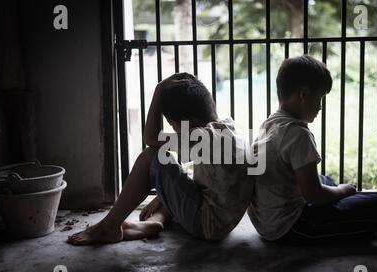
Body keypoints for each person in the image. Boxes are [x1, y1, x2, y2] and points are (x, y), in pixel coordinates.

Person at [68, 73, 253, 245]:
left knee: (151, 157)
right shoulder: (226, 129)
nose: (174, 131)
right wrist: (162, 195)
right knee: (173, 170)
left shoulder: (204, 137)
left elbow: (151, 138)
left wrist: (159, 89)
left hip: (206, 225)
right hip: (221, 221)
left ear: (190, 121)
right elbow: (206, 180)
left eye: (174, 126)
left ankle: (109, 226)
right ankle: (154, 222)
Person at [248, 55, 377, 245]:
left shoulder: (270, 123)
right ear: (304, 95)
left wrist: (335, 190)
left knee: (327, 181)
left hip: (264, 221)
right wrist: (341, 191)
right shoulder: (298, 135)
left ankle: (343, 205)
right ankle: (373, 230)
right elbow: (313, 195)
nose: (320, 107)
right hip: (291, 226)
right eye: (319, 98)